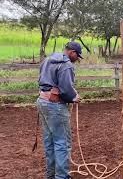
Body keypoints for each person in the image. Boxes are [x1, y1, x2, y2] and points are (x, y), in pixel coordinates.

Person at [36, 41, 82, 179]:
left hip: (42, 101)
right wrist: (74, 97)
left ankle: (50, 175)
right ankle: (61, 176)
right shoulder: (66, 65)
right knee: (62, 142)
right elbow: (66, 89)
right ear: (72, 52)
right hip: (56, 106)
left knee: (49, 141)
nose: (77, 59)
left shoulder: (47, 60)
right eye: (77, 56)